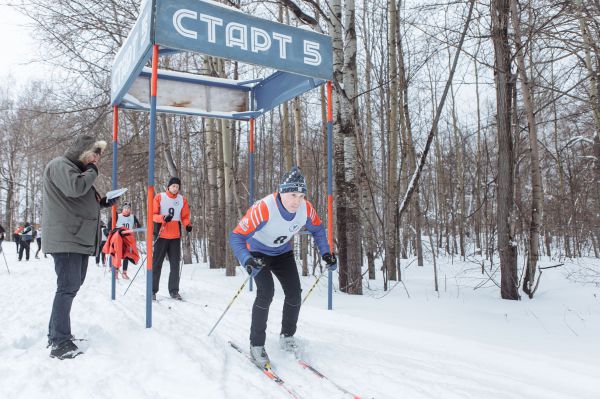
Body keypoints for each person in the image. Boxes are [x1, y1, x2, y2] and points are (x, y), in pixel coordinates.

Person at [229, 166, 337, 369]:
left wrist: (326, 253)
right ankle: (256, 345)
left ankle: (287, 335)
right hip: (258, 253)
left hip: (282, 253)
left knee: (295, 293)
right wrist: (246, 259)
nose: (297, 200)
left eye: (302, 195)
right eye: (293, 194)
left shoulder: (305, 208)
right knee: (266, 292)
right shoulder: (264, 208)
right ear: (281, 192)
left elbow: (318, 229)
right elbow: (236, 235)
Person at [43, 135, 116, 360]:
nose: (96, 159)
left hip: (76, 238)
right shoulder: (60, 165)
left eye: (98, 155)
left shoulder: (73, 170)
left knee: (71, 286)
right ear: (82, 151)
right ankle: (58, 342)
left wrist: (103, 203)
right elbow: (75, 188)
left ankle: (57, 334)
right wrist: (93, 170)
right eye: (94, 153)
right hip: (67, 238)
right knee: (66, 287)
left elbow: (79, 195)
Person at [152, 177, 192, 301]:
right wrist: (163, 218)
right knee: (157, 264)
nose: (175, 188)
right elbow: (153, 215)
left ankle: (174, 291)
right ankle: (152, 290)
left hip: (175, 236)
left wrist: (187, 225)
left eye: (177, 187)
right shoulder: (160, 197)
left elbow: (184, 216)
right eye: (173, 186)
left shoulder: (182, 200)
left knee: (175, 265)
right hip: (161, 234)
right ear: (168, 186)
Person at [107, 202, 142, 279]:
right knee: (117, 252)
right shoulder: (118, 216)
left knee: (127, 254)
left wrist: (137, 227)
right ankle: (115, 270)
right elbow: (110, 224)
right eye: (125, 208)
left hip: (127, 238)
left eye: (128, 208)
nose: (126, 209)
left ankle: (124, 272)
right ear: (123, 208)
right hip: (118, 237)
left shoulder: (133, 217)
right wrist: (109, 231)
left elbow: (138, 225)